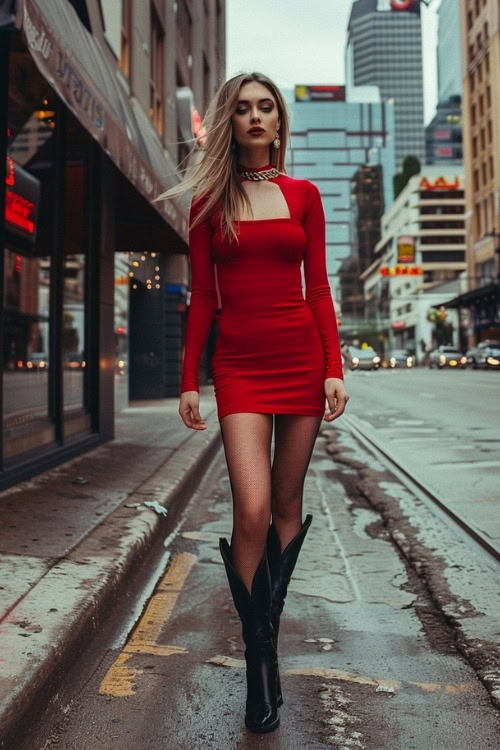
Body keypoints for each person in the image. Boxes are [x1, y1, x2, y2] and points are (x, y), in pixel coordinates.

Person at [154, 71, 349, 734]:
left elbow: (318, 288)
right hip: (239, 367)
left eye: (267, 107)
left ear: (278, 122)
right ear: (230, 122)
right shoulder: (209, 201)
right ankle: (259, 651)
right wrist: (189, 378)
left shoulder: (304, 195)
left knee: (289, 509)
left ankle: (263, 650)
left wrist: (334, 366)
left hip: (300, 359)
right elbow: (202, 298)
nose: (257, 117)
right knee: (254, 508)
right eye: (244, 109)